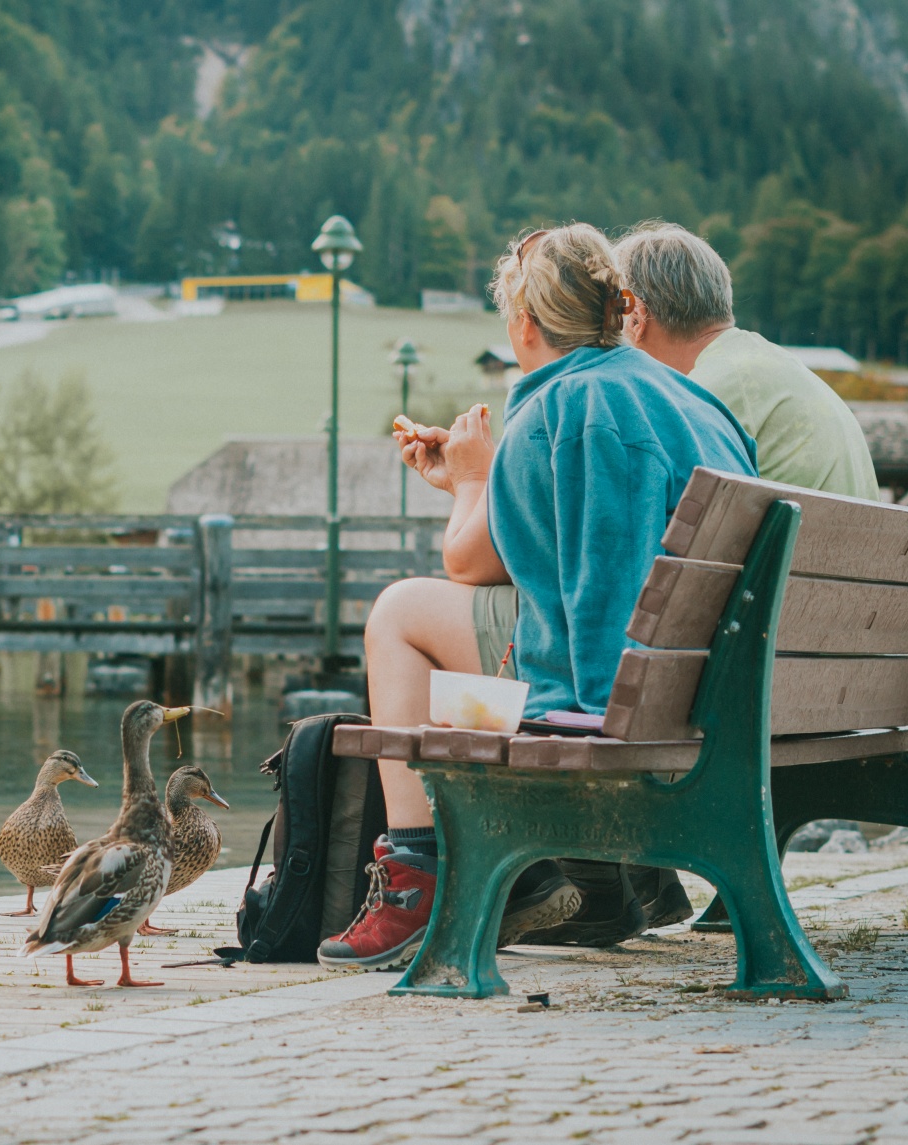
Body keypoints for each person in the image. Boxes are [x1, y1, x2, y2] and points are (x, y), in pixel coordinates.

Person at [317, 224, 758, 972]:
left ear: (524, 324)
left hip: (625, 706)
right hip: (720, 694)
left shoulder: (553, 408)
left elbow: (475, 567)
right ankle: (584, 878)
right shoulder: (695, 402)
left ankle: (417, 875)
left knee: (398, 613)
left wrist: (471, 481)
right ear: (620, 308)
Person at [616, 222, 878, 499]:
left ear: (637, 317)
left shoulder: (705, 391)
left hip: (805, 543)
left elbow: (641, 502)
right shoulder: (761, 364)